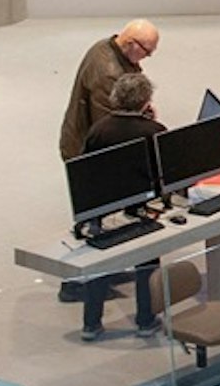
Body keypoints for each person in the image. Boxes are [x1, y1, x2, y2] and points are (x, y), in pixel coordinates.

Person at [68, 93, 164, 337]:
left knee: (101, 262)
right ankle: (146, 320)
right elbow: (163, 166)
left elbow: (85, 164)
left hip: (102, 207)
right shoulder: (153, 129)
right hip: (138, 206)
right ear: (144, 103)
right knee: (148, 258)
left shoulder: (98, 129)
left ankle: (91, 324)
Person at [58, 20, 162, 160]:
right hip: (85, 154)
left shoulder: (104, 46)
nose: (148, 56)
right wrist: (146, 119)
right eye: (147, 51)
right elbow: (114, 126)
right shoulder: (109, 76)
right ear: (131, 44)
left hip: (81, 136)